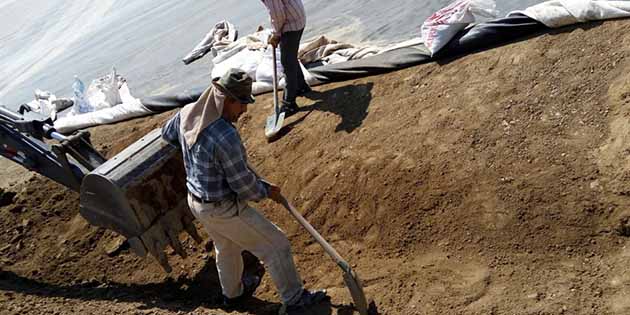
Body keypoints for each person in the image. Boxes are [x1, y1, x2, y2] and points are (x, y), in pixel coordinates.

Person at [161, 69, 327, 314]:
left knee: (226, 247)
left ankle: (233, 296)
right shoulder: (225, 136)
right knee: (277, 245)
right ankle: (294, 301)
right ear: (227, 100)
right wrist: (266, 190)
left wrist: (195, 157)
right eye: (242, 104)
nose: (245, 110)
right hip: (222, 207)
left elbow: (167, 134)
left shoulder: (188, 113)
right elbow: (243, 187)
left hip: (197, 202)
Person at [260, 0, 311, 117]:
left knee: (287, 63)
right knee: (290, 57)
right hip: (297, 17)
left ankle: (289, 104)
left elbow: (278, 14)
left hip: (291, 23)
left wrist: (276, 34)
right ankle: (301, 86)